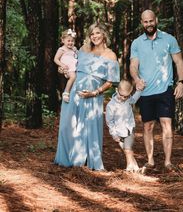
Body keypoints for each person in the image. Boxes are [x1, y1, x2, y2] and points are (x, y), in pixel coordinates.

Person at [54, 23, 120, 171]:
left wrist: (94, 92)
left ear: (104, 34)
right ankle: (67, 159)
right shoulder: (83, 49)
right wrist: (62, 69)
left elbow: (110, 82)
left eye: (97, 33)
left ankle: (85, 162)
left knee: (89, 129)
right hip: (74, 92)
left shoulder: (111, 55)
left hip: (93, 96)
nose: (94, 36)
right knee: (67, 126)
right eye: (92, 34)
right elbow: (70, 66)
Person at [130, 9, 183, 172]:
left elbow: (179, 62)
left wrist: (181, 82)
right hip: (146, 92)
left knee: (166, 124)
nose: (148, 24)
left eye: (151, 21)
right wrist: (136, 79)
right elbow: (133, 65)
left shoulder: (169, 39)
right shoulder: (137, 43)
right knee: (147, 127)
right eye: (145, 22)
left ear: (156, 20)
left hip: (165, 90)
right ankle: (150, 161)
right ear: (142, 23)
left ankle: (168, 162)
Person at [105, 79, 143, 173]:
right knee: (127, 151)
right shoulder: (111, 105)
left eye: (126, 96)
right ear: (117, 90)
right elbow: (110, 121)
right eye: (121, 95)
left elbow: (134, 99)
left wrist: (140, 90)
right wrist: (114, 134)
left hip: (129, 129)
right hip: (118, 132)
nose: (123, 98)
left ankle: (129, 168)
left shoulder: (129, 100)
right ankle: (136, 168)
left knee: (127, 148)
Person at [54, 29, 78, 102]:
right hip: (67, 68)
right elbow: (56, 59)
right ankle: (66, 92)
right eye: (68, 41)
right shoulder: (62, 49)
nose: (70, 43)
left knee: (76, 79)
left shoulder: (73, 49)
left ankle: (73, 93)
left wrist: (75, 51)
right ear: (63, 40)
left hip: (74, 67)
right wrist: (62, 65)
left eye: (72, 41)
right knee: (73, 77)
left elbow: (77, 56)